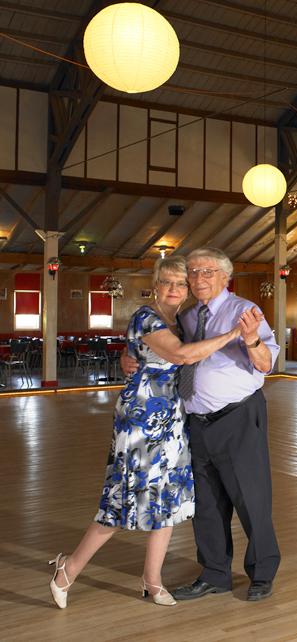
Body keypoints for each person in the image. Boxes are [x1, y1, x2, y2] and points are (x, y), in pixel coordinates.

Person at [49, 256, 254, 609]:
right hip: (141, 422)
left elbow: (155, 358)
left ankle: (152, 581)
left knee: (169, 501)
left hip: (173, 421)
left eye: (181, 283)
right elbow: (181, 357)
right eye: (167, 282)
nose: (175, 289)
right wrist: (236, 332)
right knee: (123, 502)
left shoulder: (183, 322)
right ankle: (68, 568)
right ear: (155, 285)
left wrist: (128, 360)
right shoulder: (146, 317)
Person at [121, 247, 281, 602]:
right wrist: (127, 355)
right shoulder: (190, 316)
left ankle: (262, 572)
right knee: (205, 504)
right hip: (195, 422)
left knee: (251, 498)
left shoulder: (244, 311)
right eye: (193, 272)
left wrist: (251, 338)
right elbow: (162, 347)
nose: (198, 278)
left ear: (226, 277)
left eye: (208, 271)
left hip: (238, 416)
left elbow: (265, 363)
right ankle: (214, 574)